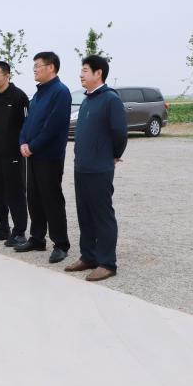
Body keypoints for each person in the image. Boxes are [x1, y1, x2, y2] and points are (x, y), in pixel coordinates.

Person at [66, 55, 128, 281]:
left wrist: (114, 155)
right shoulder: (87, 100)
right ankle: (89, 256)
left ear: (98, 73)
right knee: (85, 213)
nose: (81, 74)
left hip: (99, 167)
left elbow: (120, 132)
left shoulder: (110, 99)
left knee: (102, 215)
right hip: (82, 166)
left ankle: (107, 263)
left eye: (85, 70)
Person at [16, 51, 72, 263]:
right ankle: (37, 238)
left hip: (49, 155)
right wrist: (23, 141)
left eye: (37, 66)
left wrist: (33, 146)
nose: (34, 70)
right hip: (32, 153)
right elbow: (28, 121)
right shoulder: (39, 93)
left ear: (51, 67)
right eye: (34, 67)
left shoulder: (60, 92)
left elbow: (53, 126)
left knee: (52, 199)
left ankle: (61, 244)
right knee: (34, 197)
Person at [0, 61, 29, 247]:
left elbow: (27, 124)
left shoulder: (19, 97)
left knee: (15, 193)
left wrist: (24, 144)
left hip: (14, 155)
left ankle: (19, 232)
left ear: (7, 76)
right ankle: (2, 228)